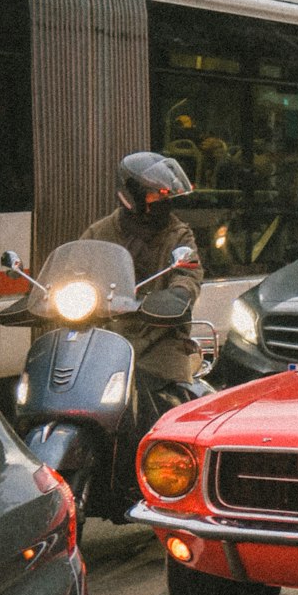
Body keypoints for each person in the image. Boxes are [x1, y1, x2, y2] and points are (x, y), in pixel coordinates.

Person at [80, 152, 204, 418]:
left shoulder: (179, 233)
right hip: (106, 339)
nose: (163, 201)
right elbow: (76, 269)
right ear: (131, 196)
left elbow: (189, 272)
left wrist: (179, 293)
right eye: (155, 194)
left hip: (159, 341)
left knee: (160, 411)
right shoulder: (100, 233)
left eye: (165, 195)